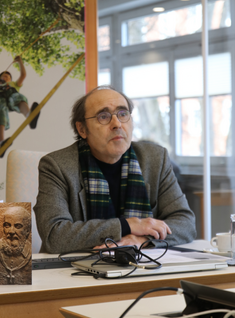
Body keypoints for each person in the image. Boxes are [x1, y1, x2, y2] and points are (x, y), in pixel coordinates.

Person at [34, 85, 196, 254]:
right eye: (103, 116)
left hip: (141, 268)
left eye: (123, 114)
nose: (117, 124)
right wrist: (127, 225)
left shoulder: (155, 159)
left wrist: (142, 239)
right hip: (75, 272)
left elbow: (185, 223)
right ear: (82, 129)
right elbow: (55, 236)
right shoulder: (56, 166)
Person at [0, 55, 40, 158]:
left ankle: (29, 116)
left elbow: (23, 75)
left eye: (8, 77)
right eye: (4, 76)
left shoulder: (13, 84)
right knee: (0, 111)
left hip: (11, 94)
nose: (6, 77)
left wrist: (20, 61)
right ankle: (0, 143)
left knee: (17, 97)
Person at [0, 206, 32, 285]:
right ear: (3, 228)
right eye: (7, 225)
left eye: (18, 226)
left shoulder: (31, 254)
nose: (11, 231)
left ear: (27, 231)